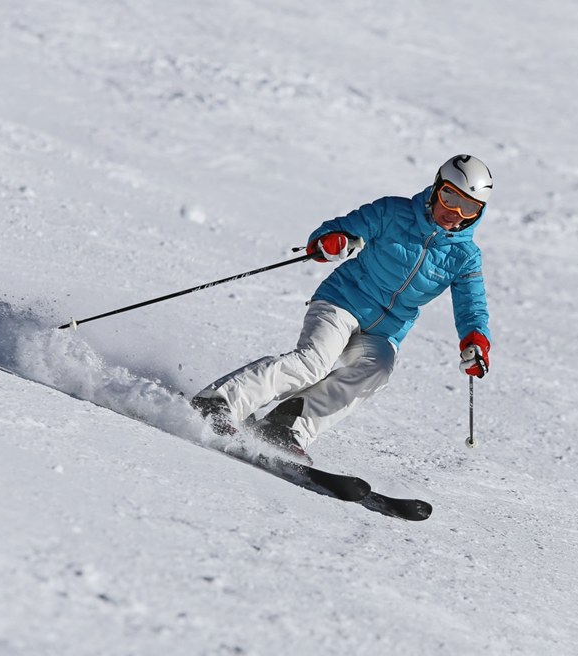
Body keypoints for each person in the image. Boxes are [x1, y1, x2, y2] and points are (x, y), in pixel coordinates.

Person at [191, 154, 493, 460]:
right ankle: (220, 402)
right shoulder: (392, 211)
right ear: (436, 188)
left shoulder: (465, 256)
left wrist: (475, 343)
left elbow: (472, 307)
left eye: (469, 207)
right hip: (343, 301)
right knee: (313, 362)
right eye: (450, 197)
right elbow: (339, 230)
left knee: (377, 370)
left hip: (386, 330)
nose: (455, 213)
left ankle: (287, 425)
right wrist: (332, 241)